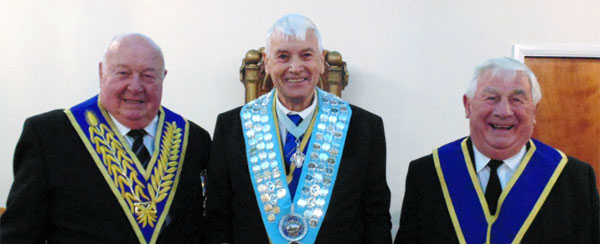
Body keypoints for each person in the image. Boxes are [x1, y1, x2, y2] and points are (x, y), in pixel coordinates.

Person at [1, 33, 211, 244]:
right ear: (102, 72)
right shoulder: (48, 136)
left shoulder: (194, 140)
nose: (135, 87)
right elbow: (18, 235)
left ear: (163, 77)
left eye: (148, 76)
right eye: (123, 73)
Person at [207, 14, 392, 244]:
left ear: (322, 61)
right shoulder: (232, 127)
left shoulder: (364, 128)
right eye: (283, 56)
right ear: (266, 62)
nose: (295, 68)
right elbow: (218, 220)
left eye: (306, 55)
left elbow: (376, 221)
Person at [395, 57, 599, 243]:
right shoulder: (427, 174)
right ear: (467, 105)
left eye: (517, 99)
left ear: (534, 111)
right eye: (491, 98)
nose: (504, 112)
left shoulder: (573, 179)